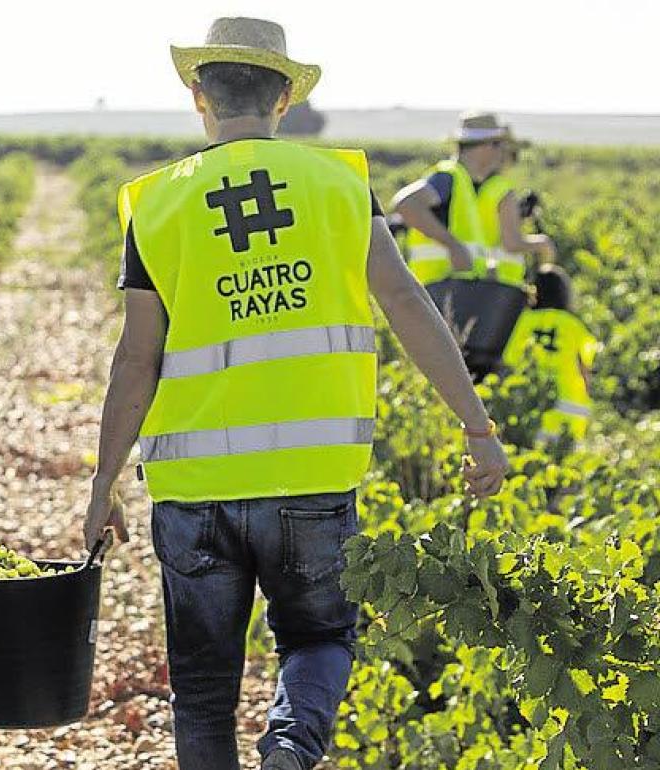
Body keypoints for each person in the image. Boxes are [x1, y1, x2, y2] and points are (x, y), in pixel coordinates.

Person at [81, 18, 511, 770]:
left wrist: (103, 479)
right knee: (316, 639)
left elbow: (136, 357)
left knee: (204, 688)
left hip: (194, 486)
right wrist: (477, 427)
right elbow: (408, 305)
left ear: (198, 97)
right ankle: (289, 746)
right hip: (312, 475)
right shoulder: (340, 184)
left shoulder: (153, 202)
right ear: (284, 97)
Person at [392, 112, 555, 287]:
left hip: (454, 287)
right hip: (437, 288)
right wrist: (452, 245)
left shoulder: (466, 184)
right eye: (499, 145)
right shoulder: (448, 177)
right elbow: (405, 203)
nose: (502, 153)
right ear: (485, 146)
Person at [503, 265, 598, 444]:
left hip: (533, 405)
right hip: (571, 406)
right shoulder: (574, 325)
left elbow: (510, 361)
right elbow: (585, 369)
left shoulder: (523, 321)